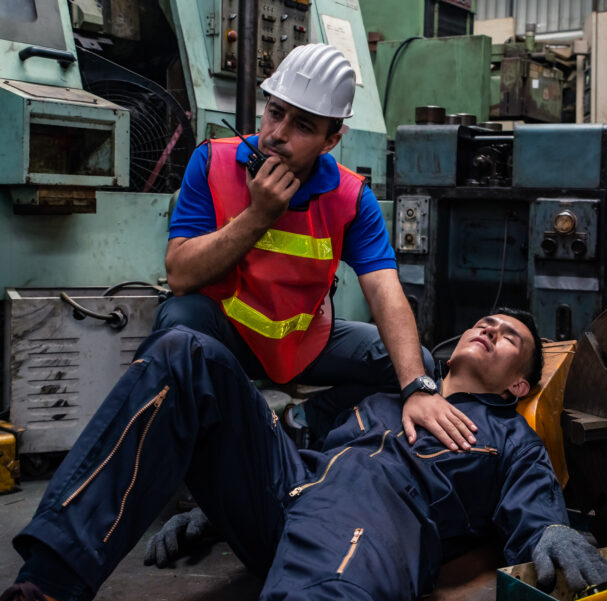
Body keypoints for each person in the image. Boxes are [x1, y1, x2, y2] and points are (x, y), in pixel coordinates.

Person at [3, 309, 607, 601]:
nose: (490, 329)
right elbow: (280, 436)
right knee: (184, 350)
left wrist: (552, 530)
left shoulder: (509, 435)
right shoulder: (379, 395)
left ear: (518, 386)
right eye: (485, 322)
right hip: (291, 492)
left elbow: (534, 506)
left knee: (364, 479)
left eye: (509, 337)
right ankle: (50, 583)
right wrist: (219, 506)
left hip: (381, 517)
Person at [157, 42, 476, 453]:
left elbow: (384, 288)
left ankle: (306, 422)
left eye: (303, 126)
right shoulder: (212, 163)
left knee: (418, 364)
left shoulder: (350, 197)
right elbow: (180, 276)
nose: (277, 135)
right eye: (275, 112)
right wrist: (259, 214)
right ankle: (208, 449)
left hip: (303, 340)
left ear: (330, 140)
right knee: (178, 319)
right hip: (226, 338)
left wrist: (418, 387)